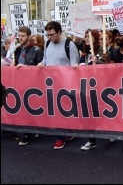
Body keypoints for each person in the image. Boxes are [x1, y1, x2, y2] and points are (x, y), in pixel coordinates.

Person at [38, 21, 80, 150]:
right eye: (48, 35)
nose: (50, 37)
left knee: (61, 111)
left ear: (59, 32)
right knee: (54, 110)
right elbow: (46, 59)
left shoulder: (69, 45)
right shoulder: (47, 43)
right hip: (50, 83)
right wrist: (41, 63)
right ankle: (63, 134)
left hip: (64, 84)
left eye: (52, 34)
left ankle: (59, 138)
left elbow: (75, 65)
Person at [12, 27, 44, 146]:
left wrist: (27, 69)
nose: (20, 38)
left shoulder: (37, 50)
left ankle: (28, 133)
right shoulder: (17, 50)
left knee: (30, 108)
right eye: (19, 35)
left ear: (29, 36)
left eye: (23, 36)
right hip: (20, 83)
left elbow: (42, 69)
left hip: (33, 84)